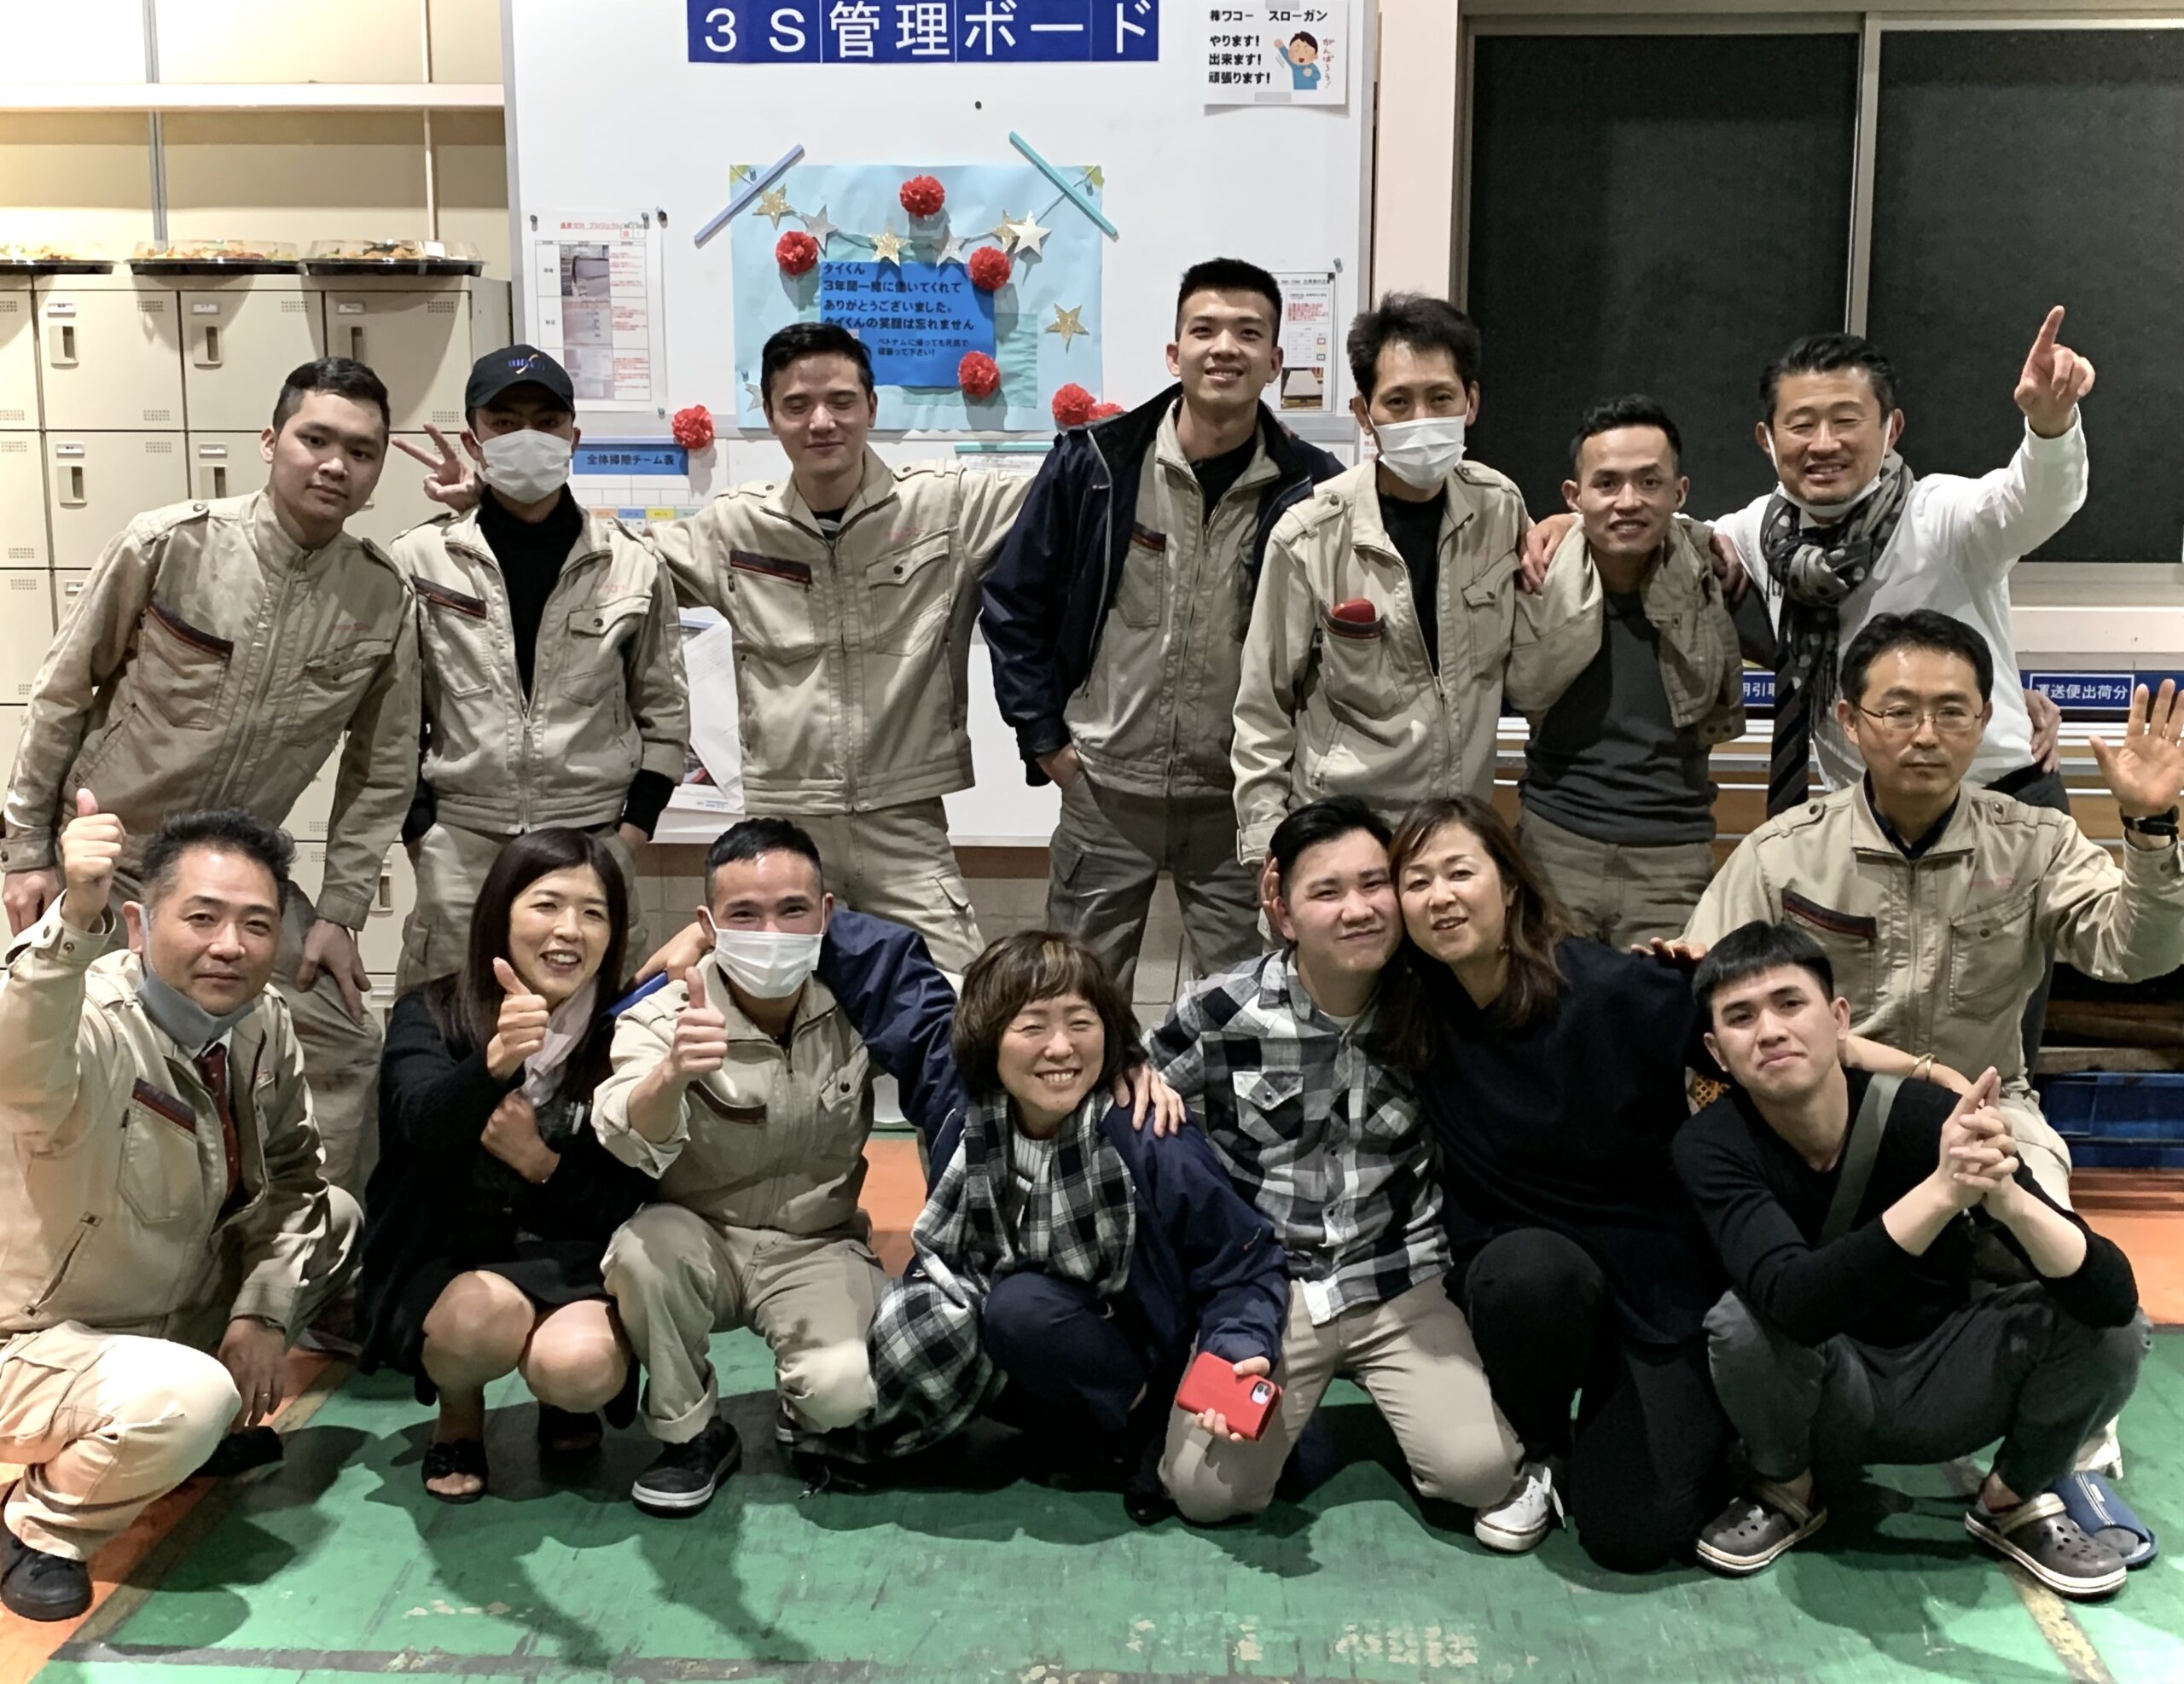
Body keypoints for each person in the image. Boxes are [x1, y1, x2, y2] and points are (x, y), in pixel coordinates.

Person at [1, 357, 419, 1200]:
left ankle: (310, 1259)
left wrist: (340, 912)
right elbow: (62, 691)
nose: (335, 465)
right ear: (271, 441)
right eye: (315, 439)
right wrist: (27, 852)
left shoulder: (381, 598)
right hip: (113, 863)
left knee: (344, 1046)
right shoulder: (171, 544)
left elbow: (382, 768)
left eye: (361, 451)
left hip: (243, 879)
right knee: (50, 1052)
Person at [1676, 920, 2149, 1596]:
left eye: (1790, 1003)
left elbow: (2111, 1296)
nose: (1771, 1031)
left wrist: (2007, 1198)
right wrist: (1941, 1193)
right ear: (1717, 1052)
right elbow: (1794, 1304)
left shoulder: (1929, 1118)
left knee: (2113, 1328)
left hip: (1950, 1375)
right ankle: (1786, 1487)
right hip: (1827, 1395)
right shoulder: (1711, 1146)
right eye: (1741, 1017)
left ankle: (2012, 1499)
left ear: (1839, 1019)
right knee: (1742, 1322)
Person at [1685, 609, 2184, 1201]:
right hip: (1824, 1104)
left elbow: (2140, 954)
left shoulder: (2035, 843)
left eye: (1951, 712)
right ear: (1850, 721)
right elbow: (1701, 991)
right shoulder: (1782, 855)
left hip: (1985, 1103)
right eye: (1899, 712)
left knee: (2045, 1234)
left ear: (1983, 722)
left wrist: (2151, 826)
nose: (1925, 735)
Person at [0, 799, 357, 1621]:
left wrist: (262, 1315)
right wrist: (72, 919)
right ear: (137, 924)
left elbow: (296, 1177)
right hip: (32, 1339)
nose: (229, 945)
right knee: (186, 1399)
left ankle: (181, 1425)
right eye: (201, 918)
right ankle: (40, 1526)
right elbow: (20, 1065)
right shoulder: (88, 1021)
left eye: (256, 924)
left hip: (158, 1306)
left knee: (335, 1219)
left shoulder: (261, 1023)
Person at [1149, 797, 1532, 1546]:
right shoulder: (1225, 1010)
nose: (1357, 910)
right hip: (1270, 1290)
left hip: (1400, 1281)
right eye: (1326, 891)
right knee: (1205, 1494)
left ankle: (1419, 1413)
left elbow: (1541, 982)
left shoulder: (1435, 1000)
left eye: (1374, 884)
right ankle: (1269, 1419)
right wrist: (1133, 1079)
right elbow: (1137, 1078)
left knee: (1481, 1475)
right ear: (1282, 907)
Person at [1370, 793, 1728, 1571]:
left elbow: (1757, 1035)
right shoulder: (1414, 1008)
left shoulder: (1609, 987)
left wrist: (1920, 1074)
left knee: (1633, 1536)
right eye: (1417, 881)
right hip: (1530, 1281)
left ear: (1510, 884)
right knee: (1525, 1273)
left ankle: (1694, 1416)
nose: (1440, 897)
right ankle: (1540, 1444)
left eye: (1460, 873)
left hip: (1651, 1272)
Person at [589, 818, 973, 1515]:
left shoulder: (863, 1001)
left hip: (816, 1242)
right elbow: (622, 1132)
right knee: (642, 1256)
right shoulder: (670, 1013)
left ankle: (808, 1402)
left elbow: (988, 1022)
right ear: (707, 924)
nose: (771, 933)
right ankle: (690, 1435)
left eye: (792, 910)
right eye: (744, 914)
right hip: (699, 1235)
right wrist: (673, 1074)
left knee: (847, 1395)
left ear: (827, 914)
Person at [982, 259, 1340, 993]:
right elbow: (1015, 603)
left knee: (1249, 1003)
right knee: (1075, 997)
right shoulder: (1096, 465)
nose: (1225, 348)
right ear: (1175, 354)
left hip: (1239, 802)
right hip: (1105, 793)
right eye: (1204, 330)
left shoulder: (1315, 485)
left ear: (1275, 361)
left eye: (1248, 333)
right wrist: (1044, 740)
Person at [856, 931, 1285, 1524]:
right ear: (988, 1037)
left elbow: (1243, 1263)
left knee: (1018, 1310)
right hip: (1043, 1348)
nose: (1060, 1048)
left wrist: (1235, 1353)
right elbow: (890, 980)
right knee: (925, 1312)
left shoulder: (1148, 1135)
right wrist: (763, 938)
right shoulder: (967, 1109)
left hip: (1143, 1356)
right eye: (1032, 1027)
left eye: (1081, 1023)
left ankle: (1136, 1425)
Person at [648, 324, 1032, 973]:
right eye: (797, 405)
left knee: (956, 1003)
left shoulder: (946, 507)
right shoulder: (736, 528)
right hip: (783, 827)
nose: (821, 422)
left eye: (841, 401)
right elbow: (615, 566)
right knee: (770, 995)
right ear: (770, 415)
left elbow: (1075, 488)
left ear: (871, 407)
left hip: (904, 822)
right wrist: (487, 507)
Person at [1230, 295, 1599, 863]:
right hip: (1346, 839)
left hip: (1458, 832)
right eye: (1398, 402)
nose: (1422, 419)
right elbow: (1263, 709)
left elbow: (1535, 649)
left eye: (1441, 397)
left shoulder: (1499, 506)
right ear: (1364, 413)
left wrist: (1578, 526)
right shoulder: (1310, 535)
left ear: (1471, 402)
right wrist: (1267, 847)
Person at [357, 828, 656, 1502]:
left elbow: (634, 1192)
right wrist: (493, 1064)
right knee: (474, 1325)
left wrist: (542, 1162)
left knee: (580, 1367)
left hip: (572, 1255)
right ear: (501, 913)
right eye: (546, 905)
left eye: (593, 912)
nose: (569, 930)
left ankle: (562, 1402)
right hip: (453, 1257)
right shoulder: (430, 1011)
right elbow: (420, 1123)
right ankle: (459, 1414)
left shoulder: (624, 1034)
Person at [388, 348, 686, 990]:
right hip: (462, 847)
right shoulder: (421, 560)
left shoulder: (630, 564)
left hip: (590, 844)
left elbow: (665, 715)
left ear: (573, 438)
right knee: (451, 1028)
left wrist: (628, 839)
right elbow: (394, 721)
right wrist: (421, 836)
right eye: (504, 422)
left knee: (597, 1032)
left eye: (546, 422)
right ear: (474, 440)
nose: (527, 437)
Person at [1517, 397, 1746, 948]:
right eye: (1607, 483)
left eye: (1649, 483)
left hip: (1672, 862)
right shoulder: (1533, 579)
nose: (1628, 501)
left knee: (1662, 1001)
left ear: (1679, 493)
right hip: (1552, 850)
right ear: (1575, 496)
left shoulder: (1712, 579)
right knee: (1547, 1000)